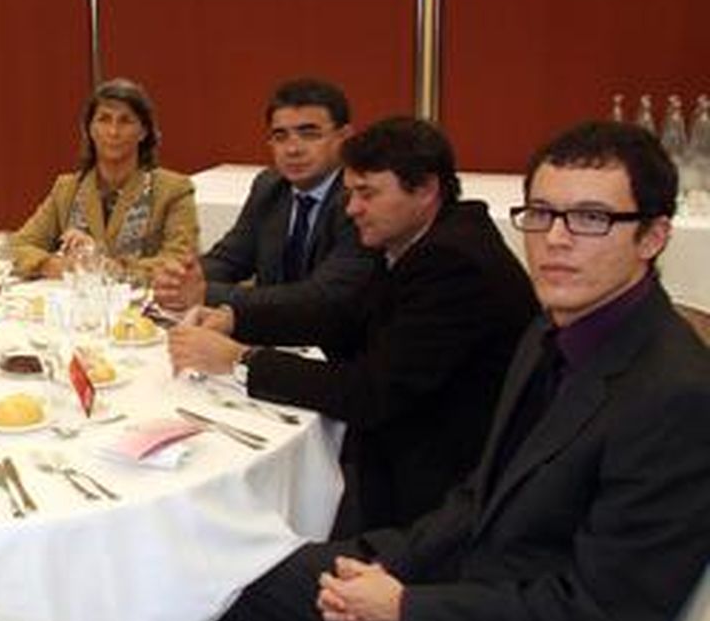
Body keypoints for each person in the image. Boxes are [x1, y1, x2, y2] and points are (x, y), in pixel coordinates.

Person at [178, 120, 710, 621]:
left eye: (591, 218)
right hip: (467, 584)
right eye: (542, 212)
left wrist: (407, 607)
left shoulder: (675, 396)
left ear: (654, 236)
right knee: (233, 585)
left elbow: (592, 619)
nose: (554, 239)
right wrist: (394, 560)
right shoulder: (558, 329)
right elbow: (481, 496)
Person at [169, 116, 538, 534]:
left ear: (426, 190)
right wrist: (235, 318)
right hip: (405, 450)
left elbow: (370, 392)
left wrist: (241, 360)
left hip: (441, 493)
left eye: (367, 194)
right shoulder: (419, 238)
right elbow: (344, 315)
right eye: (350, 193)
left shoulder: (452, 263)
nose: (352, 209)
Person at [155, 78, 375, 310]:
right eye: (280, 137)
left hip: (334, 338)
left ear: (345, 137)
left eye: (309, 134)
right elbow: (230, 259)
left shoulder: (360, 199)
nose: (293, 149)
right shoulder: (269, 186)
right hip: (268, 331)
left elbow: (321, 296)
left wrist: (203, 293)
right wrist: (181, 280)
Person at [11, 78, 198, 280]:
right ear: (90, 129)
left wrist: (104, 265)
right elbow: (19, 246)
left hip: (140, 306)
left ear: (143, 132)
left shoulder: (173, 190)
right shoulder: (66, 189)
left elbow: (180, 261)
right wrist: (57, 265)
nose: (113, 131)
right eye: (104, 119)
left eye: (125, 121)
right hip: (76, 305)